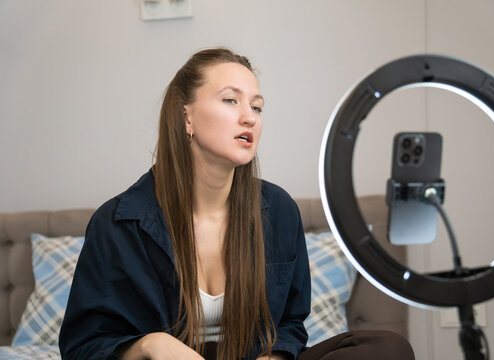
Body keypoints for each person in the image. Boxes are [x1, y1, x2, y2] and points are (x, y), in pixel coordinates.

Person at [58, 47, 414, 360]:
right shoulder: (118, 223)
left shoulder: (279, 210)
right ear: (187, 118)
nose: (250, 117)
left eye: (256, 107)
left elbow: (290, 322)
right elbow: (83, 346)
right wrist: (149, 345)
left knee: (387, 349)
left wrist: (273, 357)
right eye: (231, 100)